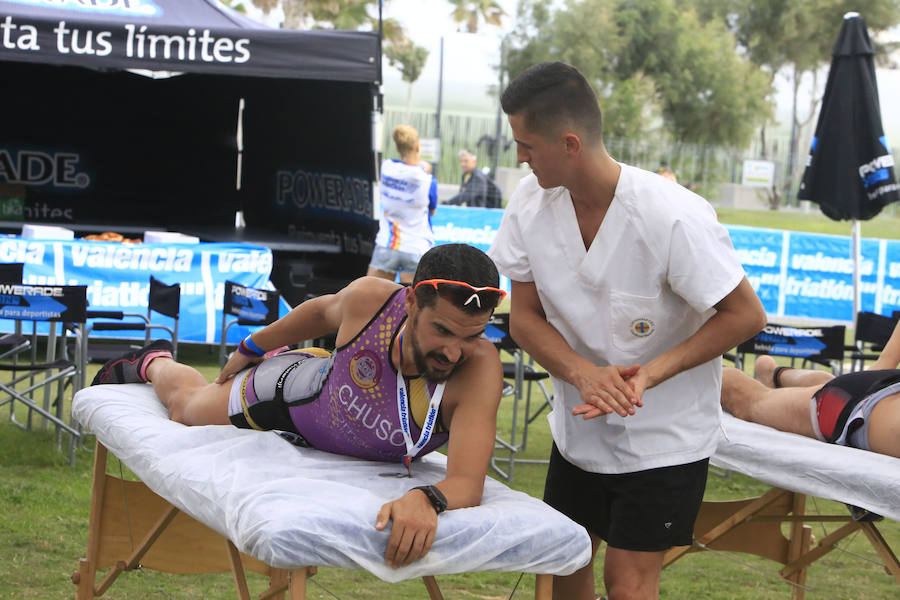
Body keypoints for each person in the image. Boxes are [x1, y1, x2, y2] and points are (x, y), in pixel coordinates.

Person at [487, 62, 766, 600]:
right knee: (564, 562)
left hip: (665, 438)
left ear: (570, 142)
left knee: (629, 583)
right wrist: (583, 374)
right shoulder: (528, 201)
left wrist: (651, 374)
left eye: (528, 144)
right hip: (579, 433)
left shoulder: (672, 216)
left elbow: (745, 315)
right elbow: (523, 316)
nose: (520, 156)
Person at [91, 243, 505, 569]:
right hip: (292, 392)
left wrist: (426, 498)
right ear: (413, 302)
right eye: (442, 331)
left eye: (472, 336)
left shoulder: (479, 370)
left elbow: (467, 483)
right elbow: (319, 313)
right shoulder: (374, 301)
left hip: (337, 426)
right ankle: (153, 361)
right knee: (186, 409)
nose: (454, 353)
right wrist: (252, 346)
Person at [721, 319, 900, 459]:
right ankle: (773, 375)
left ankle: (775, 375)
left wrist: (886, 362)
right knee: (745, 400)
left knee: (833, 385)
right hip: (846, 407)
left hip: (868, 395)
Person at [368, 125, 438, 284]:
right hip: (416, 248)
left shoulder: (386, 167)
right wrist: (423, 167)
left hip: (388, 244)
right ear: (418, 147)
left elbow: (397, 162)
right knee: (413, 304)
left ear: (398, 148)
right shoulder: (428, 180)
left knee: (374, 300)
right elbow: (432, 211)